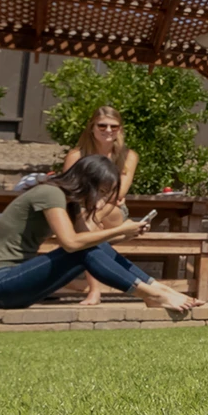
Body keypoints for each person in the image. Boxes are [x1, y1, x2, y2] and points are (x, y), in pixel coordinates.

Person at [0, 154, 200, 314]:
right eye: (101, 192)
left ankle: (156, 288)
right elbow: (72, 244)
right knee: (82, 250)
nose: (102, 201)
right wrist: (120, 228)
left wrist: (126, 235)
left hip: (17, 289)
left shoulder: (69, 203)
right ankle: (150, 293)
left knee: (92, 247)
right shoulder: (49, 193)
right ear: (85, 182)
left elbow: (93, 241)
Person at [62, 106, 140, 305]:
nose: (108, 130)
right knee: (90, 222)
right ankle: (95, 289)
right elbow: (70, 190)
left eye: (114, 126)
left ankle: (94, 291)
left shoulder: (128, 155)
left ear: (120, 130)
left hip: (113, 211)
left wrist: (99, 201)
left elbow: (120, 192)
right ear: (92, 128)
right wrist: (93, 203)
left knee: (91, 222)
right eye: (102, 125)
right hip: (83, 209)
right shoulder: (76, 155)